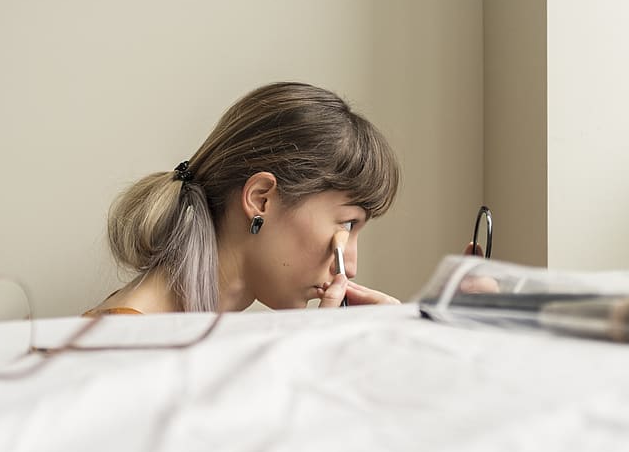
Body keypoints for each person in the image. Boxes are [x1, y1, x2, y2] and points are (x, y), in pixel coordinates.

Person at [84, 82, 401, 316]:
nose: (352, 266)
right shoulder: (126, 348)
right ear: (261, 199)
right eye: (346, 224)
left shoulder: (209, 336)